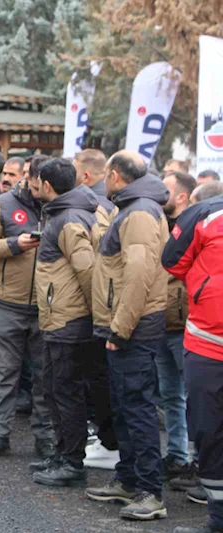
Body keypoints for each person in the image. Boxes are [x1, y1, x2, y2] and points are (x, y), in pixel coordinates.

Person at [86, 150, 170, 521]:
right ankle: (129, 479)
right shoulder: (133, 208)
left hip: (134, 328)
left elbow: (139, 276)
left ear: (116, 175)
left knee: (137, 409)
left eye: (105, 174)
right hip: (125, 325)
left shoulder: (138, 213)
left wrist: (120, 329)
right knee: (124, 406)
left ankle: (150, 492)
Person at [0, 153, 54, 458]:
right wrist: (12, 245)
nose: (40, 191)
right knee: (5, 373)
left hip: (48, 307)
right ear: (29, 177)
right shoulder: (4, 203)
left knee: (45, 377)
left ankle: (45, 437)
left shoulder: (61, 205)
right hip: (9, 304)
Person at [27, 158, 98, 487]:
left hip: (70, 322)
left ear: (47, 185)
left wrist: (96, 316)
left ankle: (72, 462)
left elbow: (87, 270)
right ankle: (62, 454)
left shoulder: (68, 219)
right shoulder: (61, 214)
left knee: (66, 393)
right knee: (54, 390)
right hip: (58, 320)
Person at [162, 190, 223, 533]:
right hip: (207, 345)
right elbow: (172, 261)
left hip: (205, 343)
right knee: (208, 432)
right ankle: (218, 518)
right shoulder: (207, 214)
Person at [73, 148, 120, 469]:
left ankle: (109, 443)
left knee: (100, 378)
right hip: (107, 306)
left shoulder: (96, 207)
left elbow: (95, 262)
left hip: (101, 307)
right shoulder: (111, 204)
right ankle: (108, 440)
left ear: (87, 175)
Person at [158, 171, 197, 482]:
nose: (159, 193)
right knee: (170, 395)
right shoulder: (157, 222)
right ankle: (177, 456)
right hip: (160, 322)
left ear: (182, 196)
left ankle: (201, 462)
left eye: (166, 189)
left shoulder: (197, 227)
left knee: (197, 399)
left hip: (187, 327)